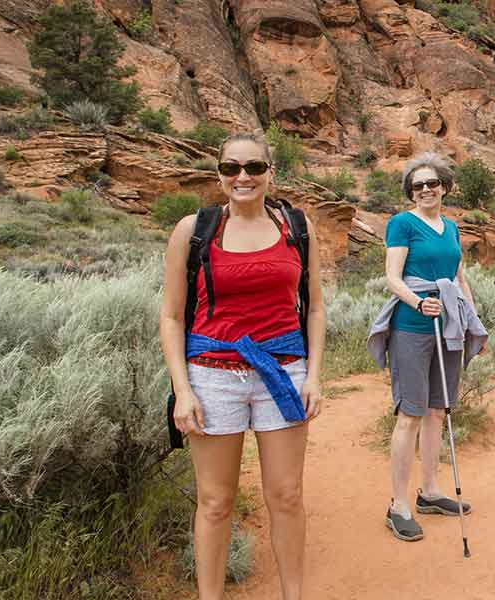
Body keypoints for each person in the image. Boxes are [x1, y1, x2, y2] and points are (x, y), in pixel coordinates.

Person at [160, 132, 325, 600]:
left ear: (271, 172)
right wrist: (183, 389)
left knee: (287, 497)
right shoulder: (193, 231)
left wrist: (314, 376)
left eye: (254, 167)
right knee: (215, 502)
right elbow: (172, 316)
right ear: (219, 174)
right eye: (231, 168)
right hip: (212, 375)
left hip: (284, 370)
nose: (243, 177)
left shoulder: (297, 226)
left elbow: (313, 307)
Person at [365, 152, 487, 542]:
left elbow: (458, 277)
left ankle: (430, 492)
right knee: (411, 413)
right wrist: (418, 302)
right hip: (413, 326)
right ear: (410, 192)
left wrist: (470, 320)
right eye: (417, 185)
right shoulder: (402, 224)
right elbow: (392, 277)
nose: (425, 190)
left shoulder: (451, 228)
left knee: (438, 410)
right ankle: (398, 504)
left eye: (431, 183)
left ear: (444, 187)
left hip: (448, 327)